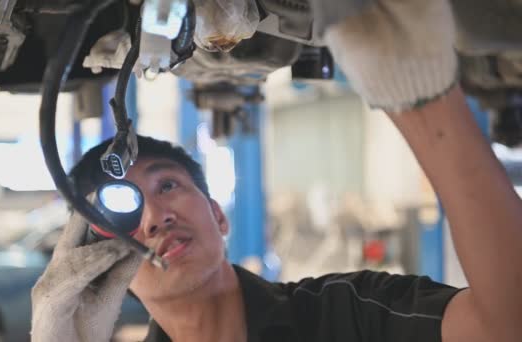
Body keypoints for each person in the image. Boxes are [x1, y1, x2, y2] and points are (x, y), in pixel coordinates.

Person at [30, 0, 522, 341]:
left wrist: (421, 95)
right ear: (108, 266)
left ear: (218, 215)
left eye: (168, 184)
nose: (156, 216)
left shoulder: (347, 316)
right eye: (125, 211)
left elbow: (508, 326)